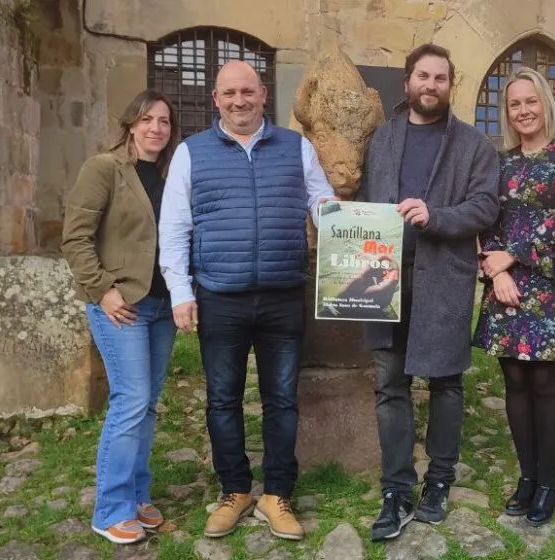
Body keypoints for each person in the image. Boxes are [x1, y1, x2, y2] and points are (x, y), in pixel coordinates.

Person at [158, 60, 335, 541]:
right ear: (216, 99)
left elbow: (324, 206)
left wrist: (364, 233)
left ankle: (278, 494)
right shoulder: (191, 153)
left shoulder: (298, 148)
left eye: (248, 92)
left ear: (263, 95)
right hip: (220, 296)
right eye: (230, 93)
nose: (240, 101)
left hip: (281, 296)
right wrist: (180, 292)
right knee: (222, 400)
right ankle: (235, 491)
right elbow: (174, 228)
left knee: (281, 400)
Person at [357, 43, 500, 541]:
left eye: (440, 78)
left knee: (445, 381)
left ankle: (438, 479)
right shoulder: (383, 138)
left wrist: (436, 217)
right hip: (384, 277)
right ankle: (396, 487)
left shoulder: (473, 146)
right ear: (408, 81)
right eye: (423, 76)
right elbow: (362, 199)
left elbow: (485, 207)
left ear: (450, 85)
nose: (431, 85)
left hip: (443, 276)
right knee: (389, 381)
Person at [472, 67, 555, 526]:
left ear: (546, 105)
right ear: (508, 114)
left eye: (531, 102)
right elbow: (487, 217)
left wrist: (511, 258)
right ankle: (526, 477)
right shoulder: (500, 163)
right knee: (516, 384)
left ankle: (547, 481)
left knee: (546, 383)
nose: (523, 111)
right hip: (506, 283)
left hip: (551, 282)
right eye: (514, 105)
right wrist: (493, 268)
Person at [61, 89, 179, 544]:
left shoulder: (170, 174)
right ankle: (110, 508)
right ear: (131, 124)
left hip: (163, 306)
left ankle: (137, 497)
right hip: (121, 306)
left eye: (164, 122)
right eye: (147, 119)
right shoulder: (104, 168)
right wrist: (103, 291)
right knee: (130, 401)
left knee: (146, 404)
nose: (156, 129)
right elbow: (75, 239)